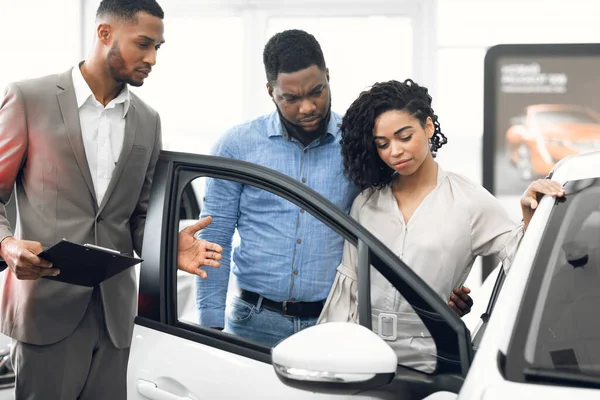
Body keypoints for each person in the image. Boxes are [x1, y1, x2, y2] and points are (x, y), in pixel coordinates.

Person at [195, 30, 472, 347]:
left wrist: (440, 287)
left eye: (317, 92)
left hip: (337, 321)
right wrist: (210, 330)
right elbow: (214, 240)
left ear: (328, 77)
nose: (308, 107)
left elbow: (400, 222)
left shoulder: (359, 145)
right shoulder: (236, 146)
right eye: (292, 98)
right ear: (271, 91)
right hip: (254, 321)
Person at [0, 1, 221, 398]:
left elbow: (137, 216)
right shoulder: (28, 98)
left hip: (116, 316)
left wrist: (167, 248)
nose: (152, 58)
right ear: (105, 35)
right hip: (46, 309)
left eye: (158, 47)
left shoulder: (148, 120)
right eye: (144, 44)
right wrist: (8, 245)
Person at [317, 79, 565, 371]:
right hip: (365, 357)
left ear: (428, 127)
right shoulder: (366, 203)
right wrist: (327, 361)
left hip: (431, 361)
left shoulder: (469, 201)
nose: (394, 152)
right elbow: (349, 287)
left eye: (404, 137)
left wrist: (528, 214)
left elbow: (527, 267)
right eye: (382, 144)